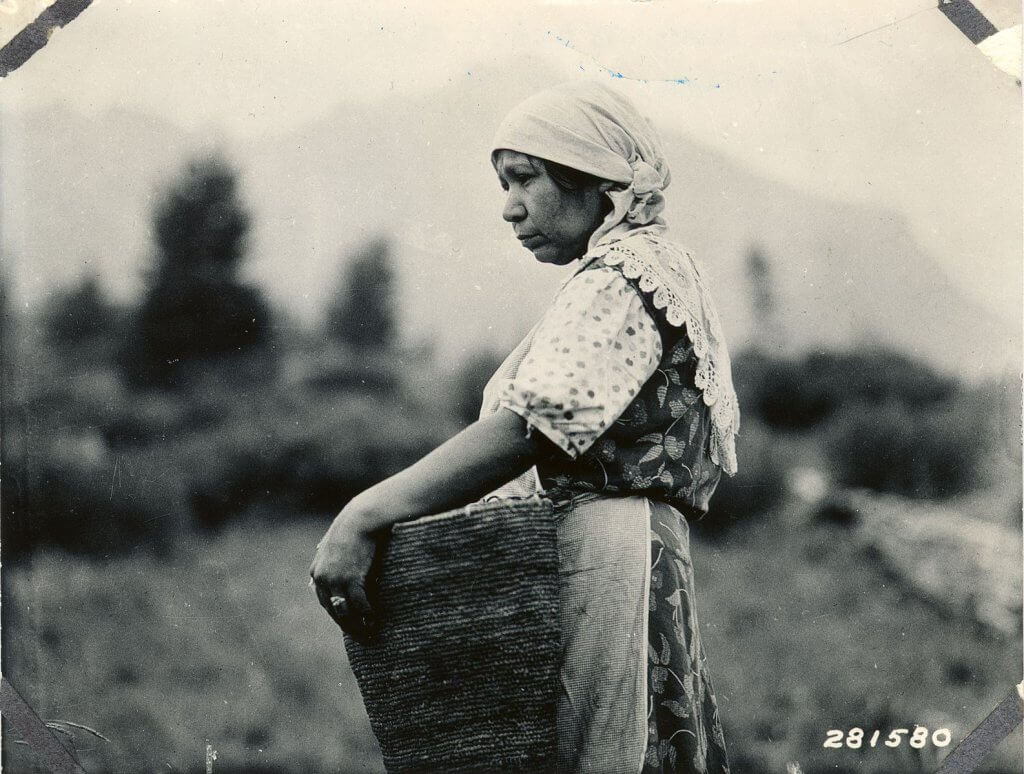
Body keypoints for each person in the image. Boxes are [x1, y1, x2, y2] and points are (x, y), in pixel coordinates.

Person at [310, 80, 739, 774]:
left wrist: (365, 511)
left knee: (602, 752)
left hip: (607, 563)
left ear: (594, 179)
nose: (509, 208)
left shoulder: (621, 276)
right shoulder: (646, 266)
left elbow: (532, 428)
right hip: (630, 551)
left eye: (525, 180)